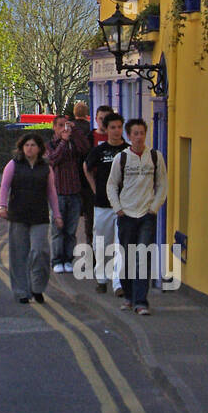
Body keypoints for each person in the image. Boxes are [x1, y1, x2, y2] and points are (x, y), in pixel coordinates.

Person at [106, 117, 168, 316]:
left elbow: (162, 185)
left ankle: (141, 301)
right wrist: (118, 209)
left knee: (143, 257)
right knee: (127, 257)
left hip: (146, 215)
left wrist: (154, 208)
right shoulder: (121, 158)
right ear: (129, 135)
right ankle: (129, 297)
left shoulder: (156, 157)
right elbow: (112, 185)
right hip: (126, 215)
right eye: (135, 133)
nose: (139, 137)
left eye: (142, 133)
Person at [0, 133, 64, 304]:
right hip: (18, 215)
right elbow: (5, 187)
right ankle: (21, 291)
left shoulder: (46, 168)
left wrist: (57, 215)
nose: (29, 148)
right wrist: (2, 206)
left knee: (40, 251)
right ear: (21, 148)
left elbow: (51, 193)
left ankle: (37, 287)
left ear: (40, 148)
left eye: (33, 145)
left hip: (39, 216)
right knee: (19, 254)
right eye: (26, 145)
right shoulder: (13, 165)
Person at [83, 111, 128, 295]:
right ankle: (101, 278)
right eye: (113, 127)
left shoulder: (128, 150)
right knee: (101, 242)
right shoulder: (99, 151)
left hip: (123, 206)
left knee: (120, 244)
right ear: (107, 129)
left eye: (119, 127)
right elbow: (86, 167)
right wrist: (94, 188)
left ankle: (118, 283)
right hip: (102, 204)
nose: (116, 131)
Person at [45, 115, 86, 273]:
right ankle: (57, 260)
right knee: (57, 230)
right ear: (54, 127)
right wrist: (63, 142)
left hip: (74, 191)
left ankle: (68, 259)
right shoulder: (50, 145)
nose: (64, 129)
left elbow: (85, 148)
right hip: (58, 193)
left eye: (66, 125)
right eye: (60, 125)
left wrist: (75, 131)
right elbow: (53, 159)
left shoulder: (73, 144)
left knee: (71, 230)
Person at [71, 102, 95, 238]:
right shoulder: (90, 129)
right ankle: (89, 237)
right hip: (87, 171)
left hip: (74, 172)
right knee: (89, 211)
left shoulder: (70, 128)